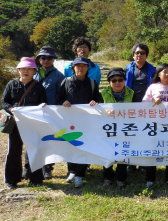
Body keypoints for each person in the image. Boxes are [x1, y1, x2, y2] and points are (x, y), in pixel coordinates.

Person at [1, 57, 47, 189]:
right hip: (16, 123)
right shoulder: (11, 84)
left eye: (29, 69)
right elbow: (4, 102)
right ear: (18, 70)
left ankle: (36, 179)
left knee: (34, 149)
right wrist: (11, 109)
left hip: (33, 123)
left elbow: (43, 102)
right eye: (23, 69)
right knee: (14, 150)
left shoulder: (38, 87)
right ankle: (12, 180)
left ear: (34, 71)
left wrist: (43, 105)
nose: (25, 71)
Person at [58, 57, 103, 188]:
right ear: (73, 68)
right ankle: (71, 171)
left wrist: (95, 103)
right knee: (71, 145)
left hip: (86, 121)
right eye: (77, 66)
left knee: (83, 146)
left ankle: (80, 175)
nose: (80, 68)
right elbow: (59, 98)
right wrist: (63, 102)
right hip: (69, 120)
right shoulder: (66, 82)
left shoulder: (92, 83)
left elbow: (98, 99)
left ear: (88, 68)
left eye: (83, 66)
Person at [142, 64, 168, 188]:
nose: (167, 74)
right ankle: (150, 179)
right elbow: (143, 102)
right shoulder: (153, 87)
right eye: (164, 72)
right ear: (158, 74)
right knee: (153, 151)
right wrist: (152, 100)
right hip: (155, 124)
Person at [33, 46, 65, 180]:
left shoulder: (58, 76)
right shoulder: (33, 73)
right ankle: (29, 168)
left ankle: (47, 168)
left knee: (49, 141)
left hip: (51, 113)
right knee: (33, 140)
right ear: (39, 59)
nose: (46, 60)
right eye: (43, 57)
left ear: (53, 60)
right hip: (34, 113)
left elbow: (62, 95)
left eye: (49, 58)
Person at [124, 42, 156, 172]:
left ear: (146, 56)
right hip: (131, 107)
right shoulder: (127, 69)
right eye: (137, 53)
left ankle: (143, 162)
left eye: (142, 53)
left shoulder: (153, 70)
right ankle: (131, 162)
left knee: (145, 134)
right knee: (131, 134)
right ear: (133, 55)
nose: (139, 55)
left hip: (147, 108)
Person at [101, 68, 134, 189]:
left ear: (125, 80)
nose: (117, 82)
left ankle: (120, 178)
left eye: (120, 79)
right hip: (108, 130)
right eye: (113, 80)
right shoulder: (103, 94)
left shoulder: (132, 94)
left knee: (123, 154)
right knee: (108, 153)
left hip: (125, 129)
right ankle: (107, 177)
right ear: (109, 82)